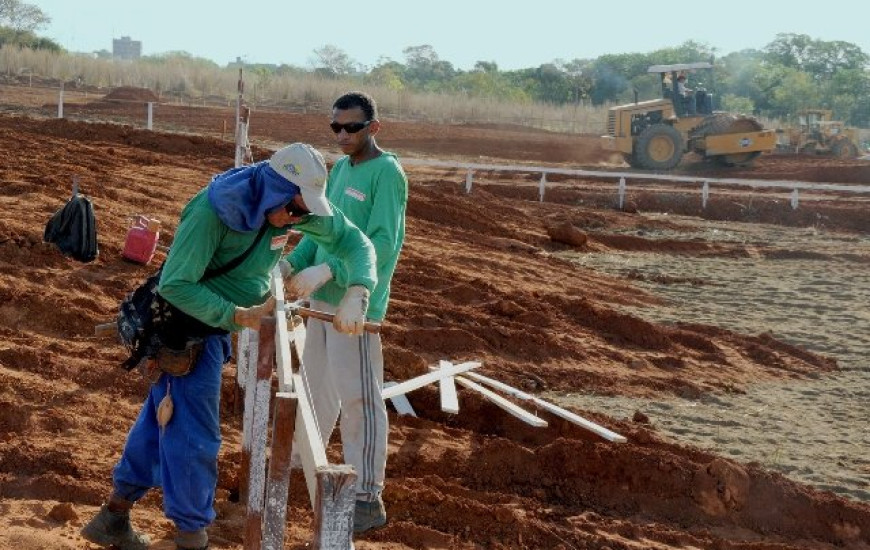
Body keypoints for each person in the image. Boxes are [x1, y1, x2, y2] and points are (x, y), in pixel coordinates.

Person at [81, 143, 377, 550]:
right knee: (194, 436)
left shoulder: (290, 207)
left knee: (162, 420)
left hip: (215, 328)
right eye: (294, 211)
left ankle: (113, 516)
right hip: (184, 331)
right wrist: (237, 315)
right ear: (273, 191)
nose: (298, 221)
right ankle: (191, 537)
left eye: (304, 213)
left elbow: (356, 242)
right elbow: (176, 285)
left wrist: (359, 289)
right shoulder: (211, 212)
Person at [281, 91, 407, 534]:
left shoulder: (386, 173)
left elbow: (382, 242)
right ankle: (301, 465)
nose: (342, 135)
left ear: (374, 127)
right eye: (336, 126)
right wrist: (294, 264)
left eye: (352, 127)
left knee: (359, 399)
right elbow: (322, 230)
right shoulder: (340, 171)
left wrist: (332, 271)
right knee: (315, 387)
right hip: (322, 299)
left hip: (355, 304)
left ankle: (368, 496)